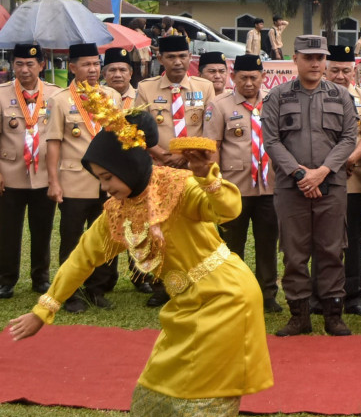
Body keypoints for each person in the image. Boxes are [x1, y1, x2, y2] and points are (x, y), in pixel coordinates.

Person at [8, 96, 273, 417]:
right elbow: (80, 260)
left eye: (108, 177)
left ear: (129, 166)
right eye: (99, 178)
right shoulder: (115, 213)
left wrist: (209, 178)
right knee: (158, 391)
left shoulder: (178, 185)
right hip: (183, 306)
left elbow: (227, 210)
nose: (105, 186)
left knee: (204, 401)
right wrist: (43, 310)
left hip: (226, 298)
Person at [262, 35, 358, 337]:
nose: (315, 63)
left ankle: (332, 314)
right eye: (308, 57)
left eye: (320, 57)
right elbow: (271, 141)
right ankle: (299, 315)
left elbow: (348, 139)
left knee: (331, 249)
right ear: (296, 59)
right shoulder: (277, 96)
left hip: (332, 186)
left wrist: (323, 172)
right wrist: (301, 175)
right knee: (294, 252)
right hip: (293, 189)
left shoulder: (341, 96)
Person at [46, 43, 123, 312]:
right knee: (72, 239)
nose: (92, 69)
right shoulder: (60, 100)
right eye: (86, 64)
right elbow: (53, 142)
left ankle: (97, 289)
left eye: (95, 63)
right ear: (72, 68)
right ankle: (71, 292)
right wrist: (53, 182)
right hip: (74, 181)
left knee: (107, 237)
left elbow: (119, 137)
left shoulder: (112, 96)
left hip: (109, 183)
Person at [202, 54, 281, 313]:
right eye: (243, 77)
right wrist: (214, 182)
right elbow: (213, 145)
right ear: (233, 77)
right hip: (234, 185)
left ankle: (267, 294)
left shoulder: (274, 101)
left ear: (263, 77)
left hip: (270, 185)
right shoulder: (220, 104)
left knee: (267, 242)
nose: (248, 83)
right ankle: (230, 292)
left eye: (254, 77)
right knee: (231, 243)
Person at [325, 44, 361, 317]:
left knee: (354, 239)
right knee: (323, 239)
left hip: (353, 177)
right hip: (322, 178)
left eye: (345, 70)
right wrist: (331, 165)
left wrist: (347, 161)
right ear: (326, 69)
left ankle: (354, 296)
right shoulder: (314, 97)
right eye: (334, 70)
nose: (339, 75)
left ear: (355, 70)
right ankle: (321, 294)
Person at [0, 45, 61, 300]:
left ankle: (41, 278)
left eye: (30, 64)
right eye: (19, 64)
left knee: (42, 229)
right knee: (7, 231)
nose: (24, 70)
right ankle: (6, 280)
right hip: (10, 172)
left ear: (42, 65)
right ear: (12, 65)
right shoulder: (2, 94)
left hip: (44, 175)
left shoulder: (56, 95)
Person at [136, 34, 216, 172]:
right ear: (160, 59)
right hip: (159, 166)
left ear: (190, 57)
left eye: (182, 56)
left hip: (195, 165)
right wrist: (163, 156)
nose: (178, 62)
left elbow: (210, 129)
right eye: (171, 57)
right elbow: (138, 131)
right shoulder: (145, 88)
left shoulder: (205, 87)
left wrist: (186, 156)